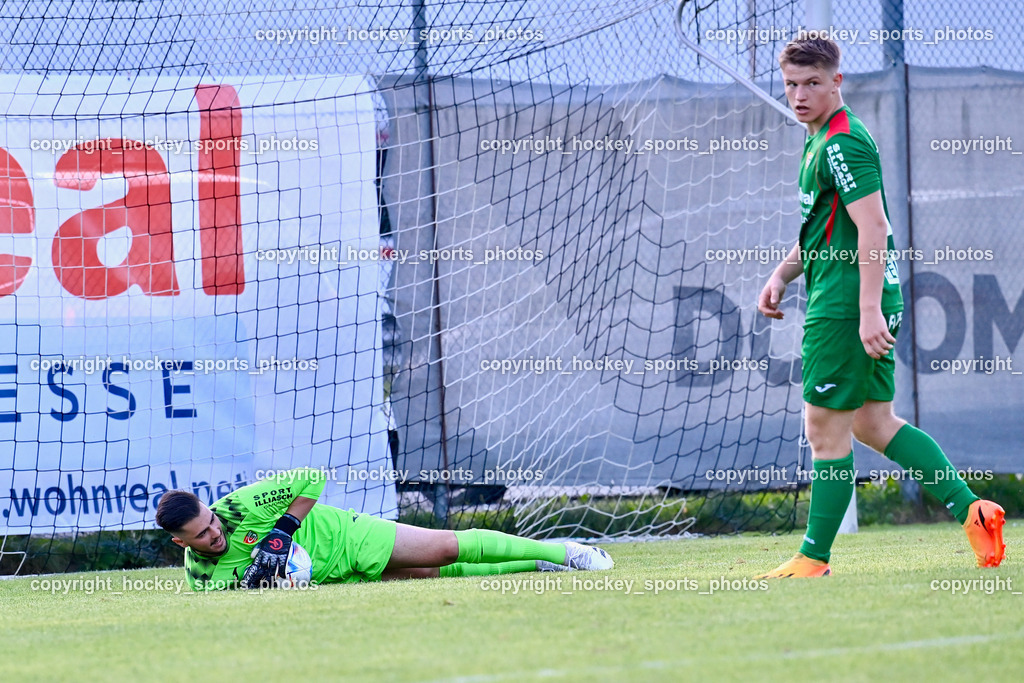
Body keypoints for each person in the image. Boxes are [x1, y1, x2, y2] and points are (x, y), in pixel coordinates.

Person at [754, 34, 1005, 578]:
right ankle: (974, 512)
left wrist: (867, 310)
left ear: (837, 81)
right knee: (872, 422)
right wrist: (781, 273)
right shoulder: (819, 135)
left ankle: (813, 559)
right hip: (855, 297)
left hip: (846, 305)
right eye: (792, 84)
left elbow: (874, 228)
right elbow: (826, 228)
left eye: (812, 84)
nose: (799, 95)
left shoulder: (842, 143)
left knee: (824, 426)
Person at [155, 467, 613, 591]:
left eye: (211, 521)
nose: (216, 533)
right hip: (332, 577)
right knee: (430, 579)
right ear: (182, 543)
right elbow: (232, 597)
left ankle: (566, 552)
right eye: (202, 535)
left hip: (344, 535)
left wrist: (284, 531)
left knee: (444, 551)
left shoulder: (240, 505)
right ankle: (536, 566)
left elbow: (312, 476)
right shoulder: (200, 578)